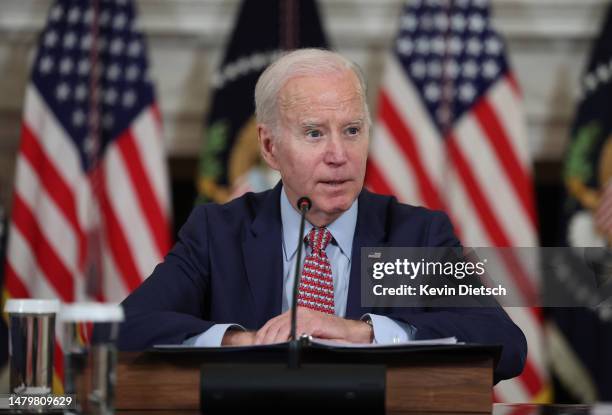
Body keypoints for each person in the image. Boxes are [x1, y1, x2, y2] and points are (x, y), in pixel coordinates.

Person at [118, 48, 526, 383]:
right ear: (270, 146)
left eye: (352, 130)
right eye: (314, 133)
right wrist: (240, 343)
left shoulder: (413, 236)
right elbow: (127, 327)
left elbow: (506, 345)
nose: (339, 155)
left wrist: (365, 333)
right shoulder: (218, 233)